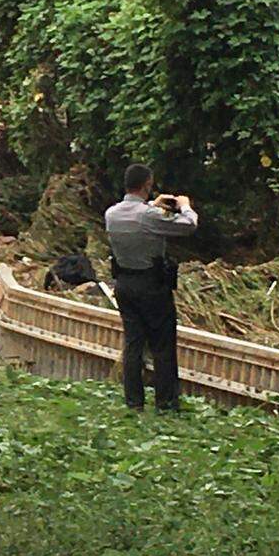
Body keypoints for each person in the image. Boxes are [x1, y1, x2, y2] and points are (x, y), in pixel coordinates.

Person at [104, 164, 198, 411]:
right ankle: (166, 402)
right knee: (162, 344)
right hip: (152, 285)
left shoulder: (111, 214)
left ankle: (133, 402)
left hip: (124, 284)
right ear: (147, 184)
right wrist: (185, 205)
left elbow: (138, 216)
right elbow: (189, 225)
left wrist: (153, 204)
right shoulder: (149, 216)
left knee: (133, 344)